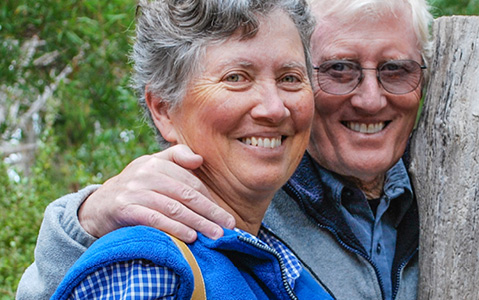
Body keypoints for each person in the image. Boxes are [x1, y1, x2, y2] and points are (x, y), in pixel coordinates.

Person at [17, 0, 433, 299]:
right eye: (236, 77)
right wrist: (82, 223)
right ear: (163, 109)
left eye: (290, 77)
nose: (273, 107)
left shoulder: (266, 258)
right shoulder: (153, 269)